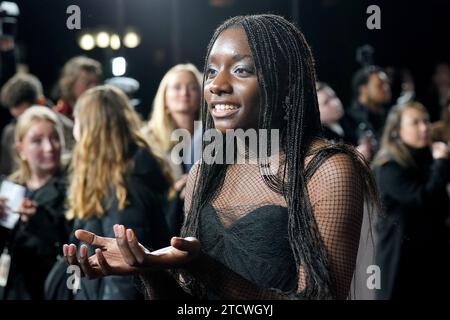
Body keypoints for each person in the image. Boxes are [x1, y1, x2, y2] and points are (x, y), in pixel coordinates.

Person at [64, 14, 379, 300]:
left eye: (241, 70)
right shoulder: (206, 170)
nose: (217, 84)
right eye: (212, 71)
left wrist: (205, 267)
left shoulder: (327, 170)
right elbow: (192, 299)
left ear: (286, 83)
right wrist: (149, 267)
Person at [65, 85, 176, 300]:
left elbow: (125, 277)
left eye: (77, 121)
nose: (73, 130)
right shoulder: (120, 178)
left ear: (90, 130)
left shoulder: (125, 190)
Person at [372, 101, 450, 299]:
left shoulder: (429, 158)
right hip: (401, 258)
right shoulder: (389, 167)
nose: (424, 128)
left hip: (430, 253)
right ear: (397, 130)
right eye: (415, 123)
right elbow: (423, 200)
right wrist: (441, 164)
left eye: (426, 121)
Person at [0, 106, 70, 299]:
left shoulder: (73, 189)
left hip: (50, 290)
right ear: (20, 149)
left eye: (55, 138)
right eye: (37, 141)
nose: (49, 147)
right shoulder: (10, 187)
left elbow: (71, 241)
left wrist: (38, 219)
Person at [141, 63, 202, 235]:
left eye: (192, 87)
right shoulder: (146, 140)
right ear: (164, 96)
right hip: (163, 226)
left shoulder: (215, 136)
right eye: (177, 87)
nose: (185, 93)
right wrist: (173, 192)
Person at [0, 73, 46, 175]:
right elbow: (6, 172)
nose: (22, 124)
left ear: (41, 102)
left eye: (27, 117)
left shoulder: (64, 128)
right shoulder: (10, 131)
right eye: (17, 118)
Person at [53, 56, 102, 120]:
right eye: (87, 82)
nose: (93, 87)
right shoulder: (58, 115)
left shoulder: (102, 112)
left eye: (96, 82)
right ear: (70, 83)